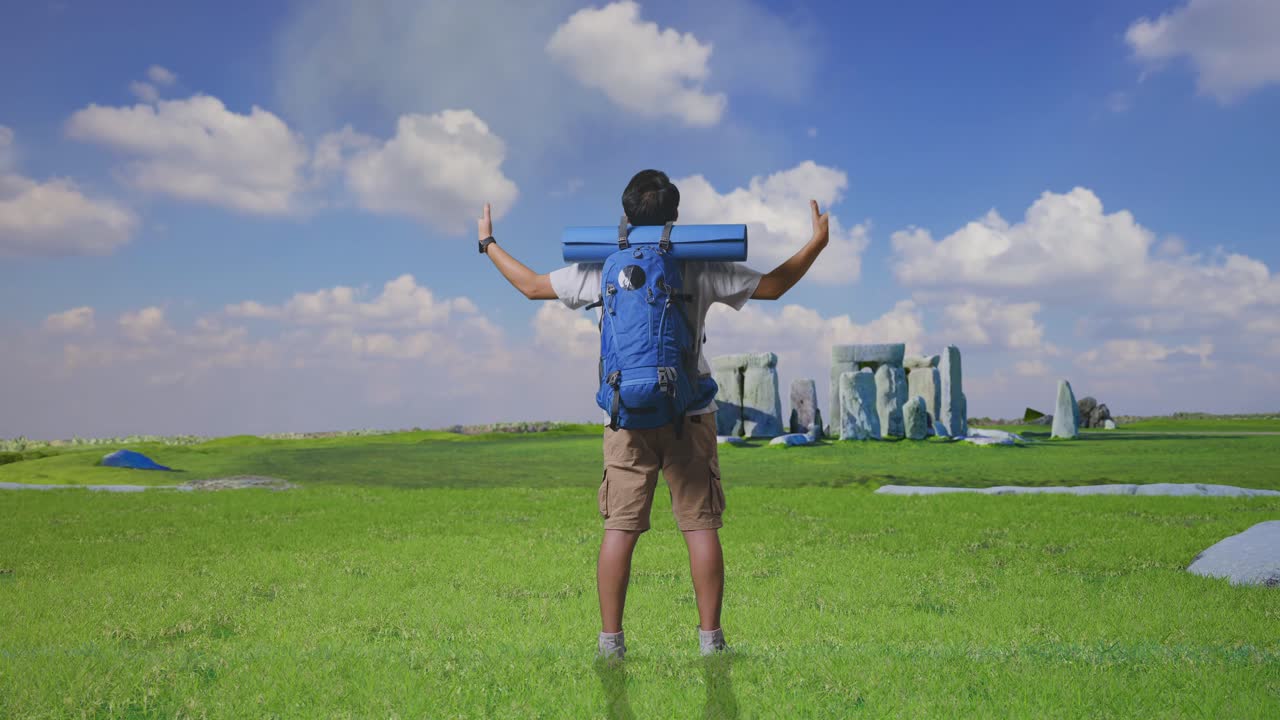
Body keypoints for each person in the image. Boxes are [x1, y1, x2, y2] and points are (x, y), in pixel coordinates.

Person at [478, 169, 829, 659]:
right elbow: (773, 286)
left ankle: (610, 645)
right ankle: (712, 644)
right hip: (690, 411)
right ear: (676, 218)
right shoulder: (698, 264)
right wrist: (818, 242)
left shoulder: (600, 266)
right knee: (699, 526)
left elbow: (532, 287)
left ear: (625, 216)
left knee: (620, 529)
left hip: (625, 417)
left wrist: (488, 242)